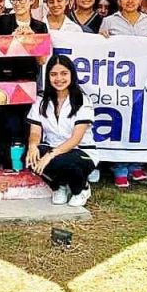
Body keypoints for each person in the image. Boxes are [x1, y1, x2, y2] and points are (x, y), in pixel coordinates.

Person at [99, 0, 147, 188]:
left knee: (139, 119)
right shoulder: (108, 21)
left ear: (140, 0)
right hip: (118, 79)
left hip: (142, 78)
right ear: (119, 0)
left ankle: (135, 163)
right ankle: (120, 166)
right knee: (119, 120)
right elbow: (98, 49)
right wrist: (101, 39)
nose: (130, 1)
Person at [25, 55, 97, 207]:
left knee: (63, 161)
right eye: (53, 74)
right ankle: (58, 185)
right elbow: (35, 132)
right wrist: (32, 146)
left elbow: (75, 139)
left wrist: (50, 155)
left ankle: (81, 189)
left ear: (72, 74)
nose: (59, 79)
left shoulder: (82, 100)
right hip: (53, 147)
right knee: (30, 157)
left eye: (64, 73)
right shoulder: (41, 99)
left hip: (80, 151)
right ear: (48, 76)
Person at [0, 0, 47, 170]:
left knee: (24, 125)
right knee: (2, 125)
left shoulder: (39, 26)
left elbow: (42, 60)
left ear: (31, 0)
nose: (18, 3)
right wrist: (11, 40)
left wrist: (32, 40)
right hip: (2, 81)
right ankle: (1, 164)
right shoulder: (1, 22)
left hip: (28, 82)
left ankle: (22, 165)